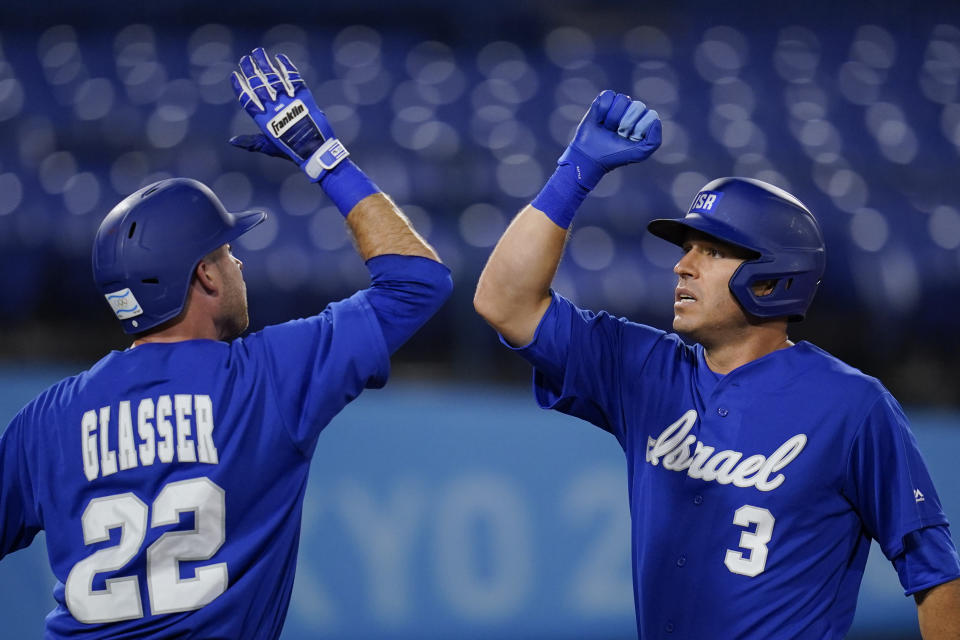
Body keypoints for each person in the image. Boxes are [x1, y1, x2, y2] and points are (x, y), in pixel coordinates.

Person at [474, 90, 960, 639]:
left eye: (711, 251)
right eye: (687, 249)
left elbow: (937, 575)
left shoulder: (853, 407)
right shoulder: (643, 369)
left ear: (773, 277)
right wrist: (575, 172)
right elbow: (504, 303)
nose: (682, 265)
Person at [0, 48, 451, 638]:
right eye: (225, 250)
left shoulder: (49, 420)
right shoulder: (266, 379)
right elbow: (418, 283)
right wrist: (323, 157)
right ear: (205, 276)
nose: (237, 260)